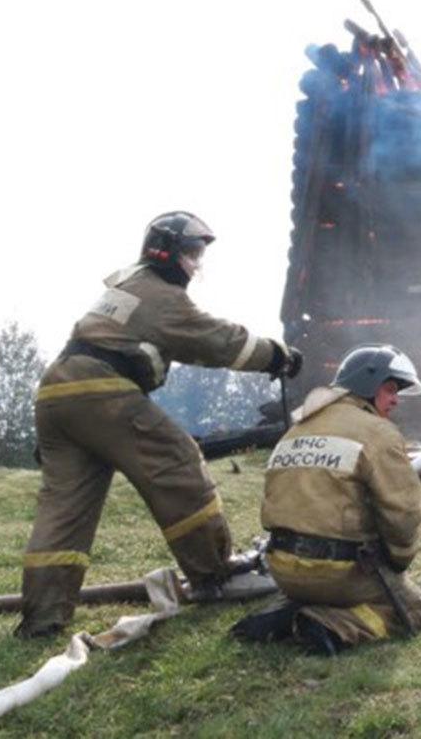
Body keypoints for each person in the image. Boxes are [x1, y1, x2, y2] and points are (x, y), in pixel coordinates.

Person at [17, 211, 302, 638]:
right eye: (191, 252)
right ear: (165, 251)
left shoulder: (126, 287)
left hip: (57, 396)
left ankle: (42, 617)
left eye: (199, 252)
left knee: (64, 511)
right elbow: (217, 340)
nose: (195, 263)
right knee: (177, 461)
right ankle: (214, 573)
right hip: (100, 391)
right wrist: (277, 355)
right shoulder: (160, 295)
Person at [232, 344, 421, 656]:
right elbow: (404, 512)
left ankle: (283, 616)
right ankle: (331, 625)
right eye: (391, 389)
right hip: (339, 574)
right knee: (413, 607)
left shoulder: (296, 429)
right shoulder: (379, 433)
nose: (395, 400)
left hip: (282, 568)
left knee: (314, 586)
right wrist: (399, 561)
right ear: (368, 383)